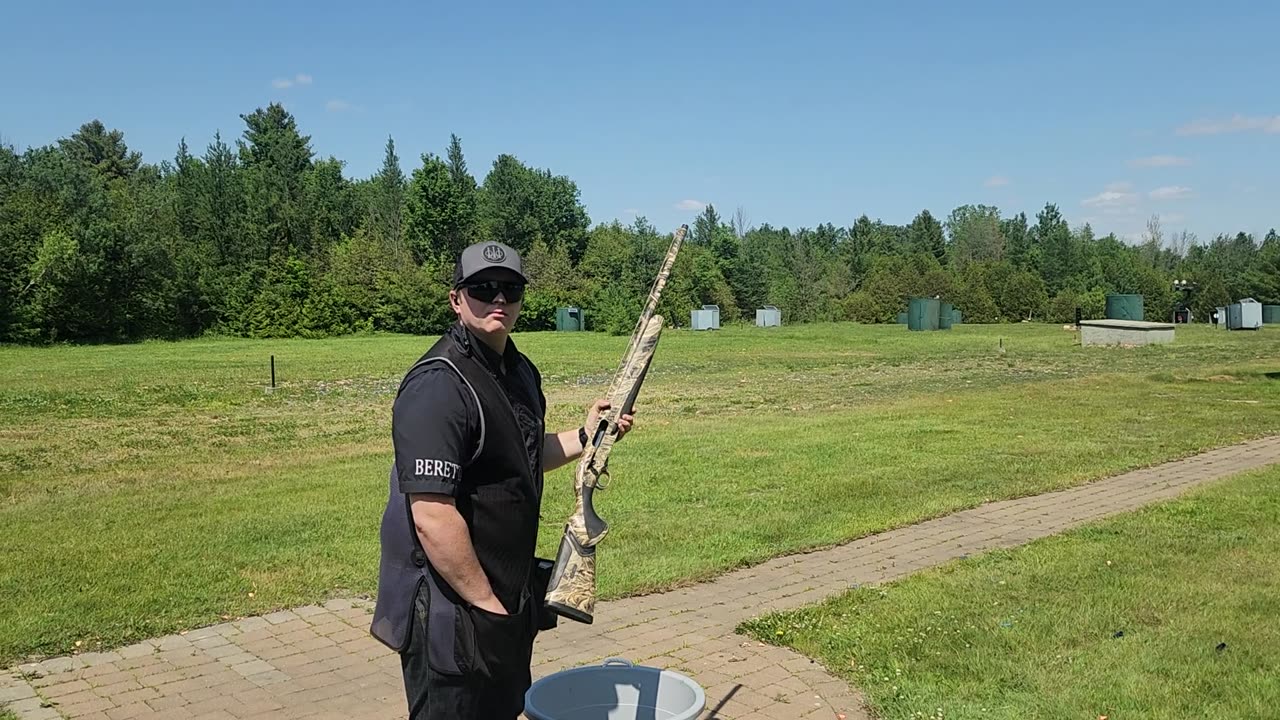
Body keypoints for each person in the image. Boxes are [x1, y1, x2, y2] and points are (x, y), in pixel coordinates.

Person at [369, 240, 634, 719]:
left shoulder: (518, 371)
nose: (498, 300)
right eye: (483, 288)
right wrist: (488, 606)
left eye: (510, 290)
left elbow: (523, 459)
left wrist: (587, 435)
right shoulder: (439, 385)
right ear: (456, 298)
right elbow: (431, 515)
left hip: (504, 598)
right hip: (452, 609)